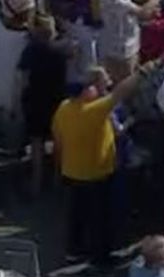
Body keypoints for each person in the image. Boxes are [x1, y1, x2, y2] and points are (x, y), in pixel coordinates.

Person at [52, 68, 141, 264]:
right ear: (84, 93)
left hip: (72, 171)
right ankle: (100, 257)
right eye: (90, 88)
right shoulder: (95, 110)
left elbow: (58, 140)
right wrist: (142, 72)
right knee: (100, 218)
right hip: (96, 174)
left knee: (76, 215)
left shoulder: (64, 108)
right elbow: (120, 93)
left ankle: (73, 251)